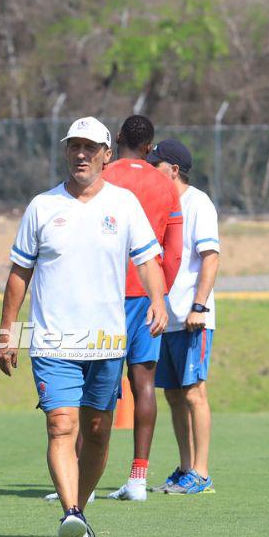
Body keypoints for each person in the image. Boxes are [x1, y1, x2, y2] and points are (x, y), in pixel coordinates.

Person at [0, 116, 168, 537]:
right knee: (60, 425)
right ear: (66, 151)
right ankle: (70, 511)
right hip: (53, 340)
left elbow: (148, 260)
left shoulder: (124, 204)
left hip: (106, 341)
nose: (81, 154)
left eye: (91, 147)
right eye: (74, 146)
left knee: (97, 431)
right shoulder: (42, 207)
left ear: (107, 155)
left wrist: (159, 301)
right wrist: (7, 332)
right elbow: (20, 272)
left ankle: (80, 510)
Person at [101, 115, 183, 501]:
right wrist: (159, 294)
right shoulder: (165, 185)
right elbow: (175, 250)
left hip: (104, 295)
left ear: (117, 138)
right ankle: (138, 479)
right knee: (144, 383)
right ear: (151, 148)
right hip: (148, 296)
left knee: (94, 383)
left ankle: (79, 471)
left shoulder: (104, 176)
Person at [148, 139, 219, 494]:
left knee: (194, 393)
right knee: (173, 396)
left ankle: (202, 474)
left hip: (192, 317)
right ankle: (185, 467)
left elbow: (210, 257)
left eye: (156, 163)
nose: (150, 168)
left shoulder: (198, 203)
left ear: (174, 170)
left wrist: (200, 306)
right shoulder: (159, 205)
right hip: (166, 319)